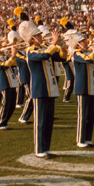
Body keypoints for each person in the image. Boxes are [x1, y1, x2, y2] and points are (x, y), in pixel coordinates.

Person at [18, 18, 66, 158]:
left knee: (48, 120)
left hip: (50, 88)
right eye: (38, 35)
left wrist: (62, 45)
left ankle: (46, 147)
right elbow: (44, 56)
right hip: (39, 89)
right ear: (33, 39)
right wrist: (54, 43)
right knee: (40, 121)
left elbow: (61, 57)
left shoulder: (46, 48)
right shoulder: (30, 51)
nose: (41, 37)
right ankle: (39, 149)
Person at [69, 30, 94, 147]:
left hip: (91, 87)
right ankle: (80, 140)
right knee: (83, 115)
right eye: (83, 41)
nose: (86, 42)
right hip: (82, 88)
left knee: (91, 115)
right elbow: (89, 58)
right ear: (78, 44)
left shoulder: (88, 52)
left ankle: (88, 138)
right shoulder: (77, 53)